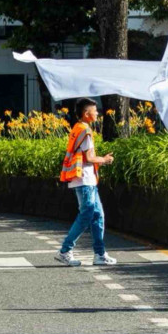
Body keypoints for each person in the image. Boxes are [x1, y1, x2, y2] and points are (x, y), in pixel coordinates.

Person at [54, 98, 116, 267]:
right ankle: (65, 251)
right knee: (87, 214)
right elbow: (89, 158)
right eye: (95, 111)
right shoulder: (85, 131)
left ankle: (100, 254)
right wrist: (104, 159)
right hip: (84, 178)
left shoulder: (77, 128)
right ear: (87, 113)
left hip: (83, 178)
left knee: (97, 215)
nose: (97, 113)